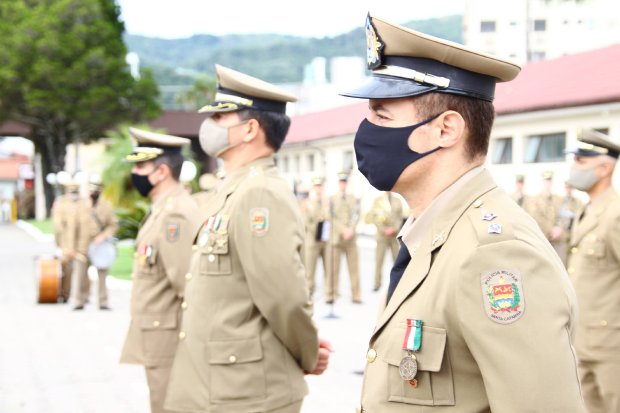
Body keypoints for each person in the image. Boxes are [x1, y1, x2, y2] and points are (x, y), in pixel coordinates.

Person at [340, 14, 585, 412]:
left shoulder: (494, 252)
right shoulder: (434, 233)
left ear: (446, 130)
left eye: (381, 115)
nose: (365, 130)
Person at [164, 65, 331, 413]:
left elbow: (283, 295)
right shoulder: (234, 187)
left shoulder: (260, 194)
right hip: (220, 385)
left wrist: (308, 352)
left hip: (247, 392)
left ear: (250, 129)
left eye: (220, 118)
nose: (209, 127)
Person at [119, 128, 202, 413]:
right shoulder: (163, 209)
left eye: (141, 166)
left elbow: (186, 283)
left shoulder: (174, 215)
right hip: (160, 336)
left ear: (162, 171)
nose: (135, 173)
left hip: (169, 339)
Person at [565, 129, 620, 413]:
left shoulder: (615, 213)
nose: (574, 168)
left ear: (604, 168)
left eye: (581, 161)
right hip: (584, 341)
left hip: (611, 345)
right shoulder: (589, 210)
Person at [72, 181, 118, 310]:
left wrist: (104, 235)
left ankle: (103, 302)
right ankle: (79, 301)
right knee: (81, 274)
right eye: (92, 190)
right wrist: (72, 247)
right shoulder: (80, 206)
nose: (93, 193)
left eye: (96, 191)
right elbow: (73, 228)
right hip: (82, 246)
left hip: (100, 245)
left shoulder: (106, 206)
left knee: (102, 273)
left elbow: (113, 225)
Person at [325, 171, 361, 304]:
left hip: (351, 239)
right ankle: (331, 294)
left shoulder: (354, 198)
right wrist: (343, 230)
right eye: (341, 182)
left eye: (345, 182)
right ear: (338, 183)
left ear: (347, 183)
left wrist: (350, 230)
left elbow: (357, 215)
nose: (343, 184)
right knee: (333, 268)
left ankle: (356, 295)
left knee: (354, 268)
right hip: (336, 238)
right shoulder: (332, 199)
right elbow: (331, 216)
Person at [51, 179, 87, 303]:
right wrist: (59, 243)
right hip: (66, 244)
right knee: (66, 270)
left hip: (81, 245)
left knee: (83, 270)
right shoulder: (61, 203)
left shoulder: (84, 203)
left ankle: (80, 296)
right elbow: (57, 226)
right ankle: (66, 294)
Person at [365, 192, 403, 291]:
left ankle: (398, 283)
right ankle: (377, 283)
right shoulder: (377, 200)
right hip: (382, 236)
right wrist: (383, 229)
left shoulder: (397, 200)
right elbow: (373, 217)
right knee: (379, 260)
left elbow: (400, 217)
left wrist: (394, 228)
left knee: (397, 261)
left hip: (394, 236)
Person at [302, 176, 331, 298]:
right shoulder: (307, 203)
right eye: (316, 186)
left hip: (325, 240)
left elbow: (329, 219)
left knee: (328, 268)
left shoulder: (327, 202)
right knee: (310, 270)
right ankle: (309, 292)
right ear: (313, 188)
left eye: (320, 186)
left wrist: (325, 206)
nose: (319, 189)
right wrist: (317, 232)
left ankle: (329, 293)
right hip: (312, 240)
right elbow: (306, 222)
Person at [528, 170, 564, 258]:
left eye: (549, 180)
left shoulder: (559, 199)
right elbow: (535, 218)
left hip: (557, 240)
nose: (548, 183)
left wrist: (559, 228)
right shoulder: (535, 199)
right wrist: (549, 230)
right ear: (543, 182)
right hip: (542, 239)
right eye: (546, 180)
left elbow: (563, 217)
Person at [556, 181, 584, 265]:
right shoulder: (559, 201)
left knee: (573, 262)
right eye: (567, 188)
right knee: (562, 261)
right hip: (562, 237)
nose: (569, 190)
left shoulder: (578, 202)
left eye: (570, 188)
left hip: (573, 236)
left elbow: (581, 217)